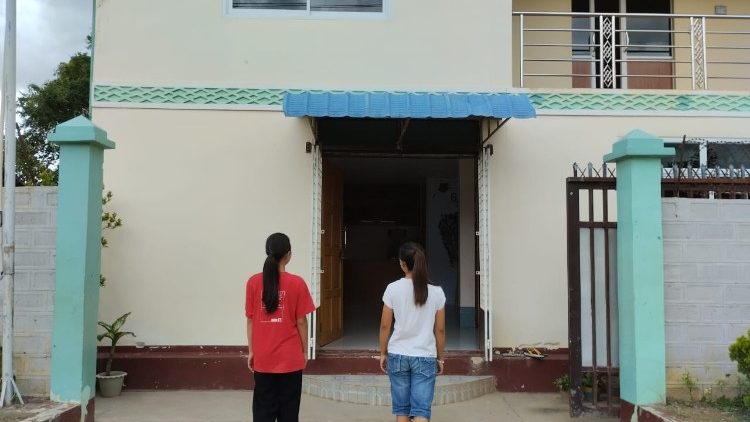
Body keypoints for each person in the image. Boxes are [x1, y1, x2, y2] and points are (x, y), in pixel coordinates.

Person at [245, 233, 316, 422]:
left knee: (263, 410)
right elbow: (301, 321)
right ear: (289, 254)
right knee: (289, 410)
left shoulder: (253, 282)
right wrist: (303, 351)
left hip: (263, 357)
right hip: (290, 358)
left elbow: (250, 320)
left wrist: (252, 351)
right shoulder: (297, 283)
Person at [379, 242, 446, 422]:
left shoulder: (392, 289)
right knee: (421, 412)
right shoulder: (437, 292)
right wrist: (440, 357)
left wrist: (383, 352)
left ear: (402, 264)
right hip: (425, 355)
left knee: (401, 411)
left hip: (398, 354)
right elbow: (439, 330)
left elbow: (385, 326)